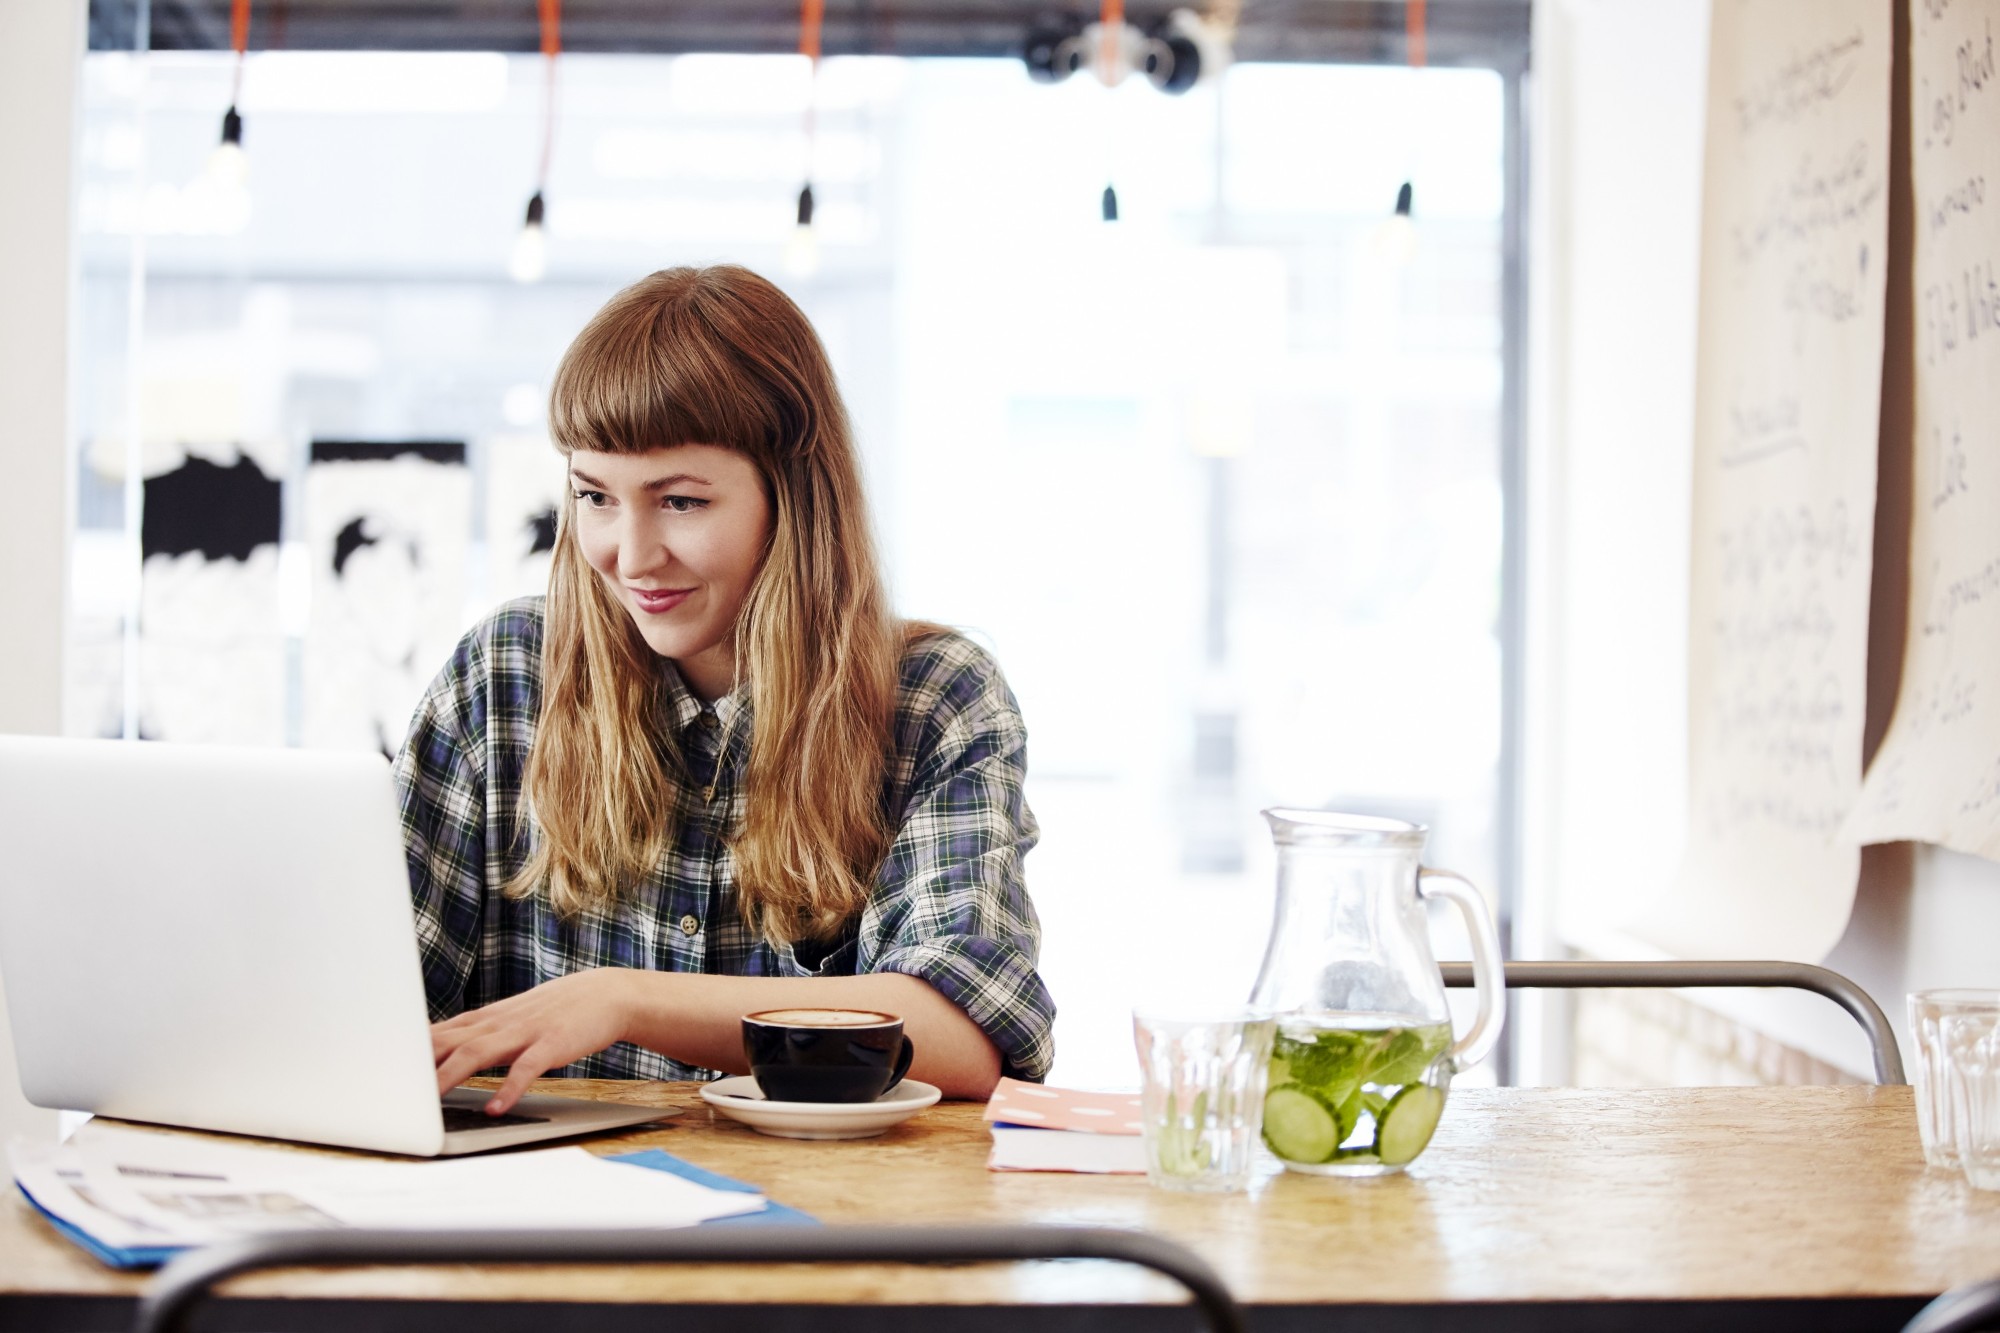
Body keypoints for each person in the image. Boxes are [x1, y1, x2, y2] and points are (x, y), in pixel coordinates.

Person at [396, 266, 1054, 1115]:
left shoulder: (934, 699)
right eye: (595, 496)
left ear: (792, 499)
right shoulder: (503, 675)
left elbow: (963, 1032)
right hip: (540, 1219)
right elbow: (369, 1000)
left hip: (821, 1220)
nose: (630, 557)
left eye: (679, 501)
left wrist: (624, 1001)